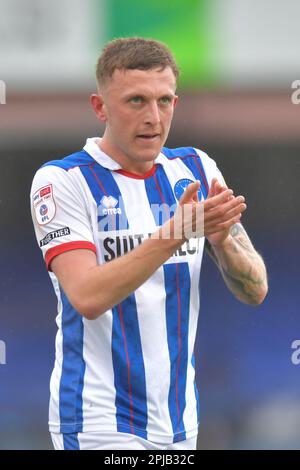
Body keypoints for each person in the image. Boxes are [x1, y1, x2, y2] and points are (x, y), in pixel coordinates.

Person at [30, 37, 268, 451]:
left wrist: (224, 242)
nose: (154, 118)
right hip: (98, 420)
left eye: (165, 101)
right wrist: (175, 232)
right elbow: (87, 295)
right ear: (100, 107)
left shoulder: (195, 167)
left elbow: (256, 289)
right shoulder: (61, 182)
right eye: (136, 101)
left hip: (180, 421)